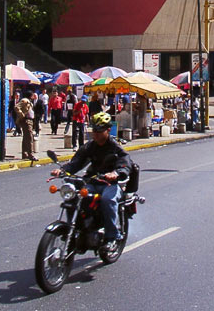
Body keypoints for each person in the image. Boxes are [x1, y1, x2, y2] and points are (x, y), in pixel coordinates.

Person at [51, 112, 132, 251]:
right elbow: (76, 162)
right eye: (94, 130)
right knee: (74, 196)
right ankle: (76, 229)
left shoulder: (115, 147)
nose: (96, 134)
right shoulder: (90, 146)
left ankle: (112, 237)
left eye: (99, 131)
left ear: (107, 130)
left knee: (108, 200)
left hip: (110, 184)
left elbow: (125, 162)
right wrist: (63, 170)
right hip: (93, 181)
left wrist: (116, 173)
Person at [15, 90, 37, 161]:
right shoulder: (24, 100)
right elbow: (16, 107)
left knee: (26, 137)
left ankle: (25, 153)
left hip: (30, 120)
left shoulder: (29, 101)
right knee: (29, 137)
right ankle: (30, 154)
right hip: (26, 120)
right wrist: (22, 114)